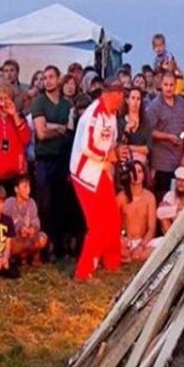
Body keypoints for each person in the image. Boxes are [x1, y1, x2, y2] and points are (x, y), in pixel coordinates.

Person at [70, 79, 125, 281]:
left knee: (112, 216)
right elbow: (87, 146)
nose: (122, 100)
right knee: (98, 223)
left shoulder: (112, 115)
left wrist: (115, 152)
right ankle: (83, 271)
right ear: (112, 94)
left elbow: (110, 142)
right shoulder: (94, 113)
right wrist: (107, 156)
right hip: (85, 173)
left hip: (100, 171)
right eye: (120, 95)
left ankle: (111, 262)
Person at [31, 65, 74, 260]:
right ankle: (44, 248)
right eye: (44, 77)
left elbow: (70, 132)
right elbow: (41, 132)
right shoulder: (38, 102)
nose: (47, 80)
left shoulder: (67, 105)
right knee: (45, 205)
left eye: (51, 77)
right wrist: (59, 128)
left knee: (61, 205)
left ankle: (59, 247)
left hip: (62, 159)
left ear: (58, 79)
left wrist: (52, 126)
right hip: (44, 160)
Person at [147, 73, 184, 202]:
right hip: (162, 163)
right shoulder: (155, 106)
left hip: (180, 160)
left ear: (176, 85)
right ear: (161, 85)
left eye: (171, 85)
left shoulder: (181, 102)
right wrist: (168, 137)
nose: (168, 88)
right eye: (166, 85)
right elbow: (149, 132)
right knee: (164, 199)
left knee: (180, 199)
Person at [119, 161, 158, 262]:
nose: (136, 175)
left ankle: (134, 256)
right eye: (133, 171)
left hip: (143, 242)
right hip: (125, 241)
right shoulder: (121, 197)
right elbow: (112, 223)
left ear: (144, 175)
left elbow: (151, 229)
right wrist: (122, 239)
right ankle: (128, 255)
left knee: (163, 242)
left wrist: (141, 246)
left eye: (139, 171)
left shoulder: (150, 197)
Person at [4, 177, 47, 266]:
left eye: (29, 187)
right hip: (14, 239)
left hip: (27, 237)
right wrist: (19, 228)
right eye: (25, 187)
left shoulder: (31, 203)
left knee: (42, 238)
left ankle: (31, 256)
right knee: (11, 242)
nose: (28, 190)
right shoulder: (9, 203)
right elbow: (6, 223)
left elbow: (35, 220)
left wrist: (33, 229)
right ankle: (20, 257)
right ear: (16, 189)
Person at [118, 87, 151, 166]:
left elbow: (148, 148)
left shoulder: (145, 122)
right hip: (125, 164)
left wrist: (130, 148)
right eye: (133, 98)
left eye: (138, 99)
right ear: (127, 100)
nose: (135, 102)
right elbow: (120, 146)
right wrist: (126, 130)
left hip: (142, 165)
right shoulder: (120, 122)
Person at [156, 166, 184, 234]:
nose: (180, 183)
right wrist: (178, 208)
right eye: (178, 180)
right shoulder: (170, 195)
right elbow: (160, 213)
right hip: (174, 233)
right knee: (164, 219)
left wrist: (171, 210)